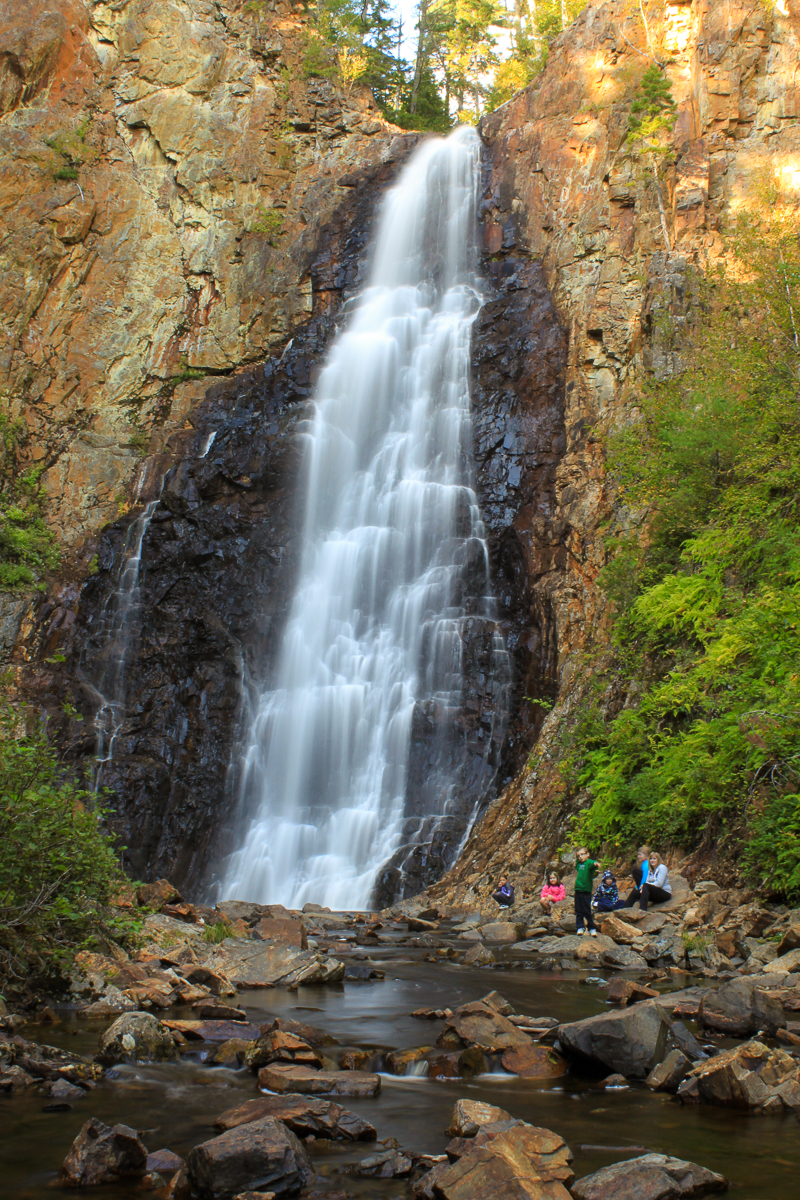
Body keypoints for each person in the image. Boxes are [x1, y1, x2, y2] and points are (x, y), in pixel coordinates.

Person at [574, 847, 599, 935]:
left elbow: (592, 863)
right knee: (578, 910)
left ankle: (591, 927)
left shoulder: (588, 862)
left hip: (586, 890)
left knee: (586, 909)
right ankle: (580, 927)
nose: (580, 857)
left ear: (587, 854)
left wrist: (595, 864)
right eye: (578, 856)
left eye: (582, 854)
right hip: (578, 890)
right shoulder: (579, 865)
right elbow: (577, 862)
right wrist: (577, 854)